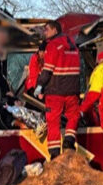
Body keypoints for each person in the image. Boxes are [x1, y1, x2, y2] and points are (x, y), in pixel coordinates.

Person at [33, 20, 81, 159]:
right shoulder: (74, 47)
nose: (45, 32)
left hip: (55, 92)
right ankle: (69, 141)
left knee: (53, 122)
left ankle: (54, 154)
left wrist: (39, 85)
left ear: (55, 30)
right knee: (73, 115)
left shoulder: (53, 45)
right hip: (72, 90)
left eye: (47, 29)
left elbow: (48, 69)